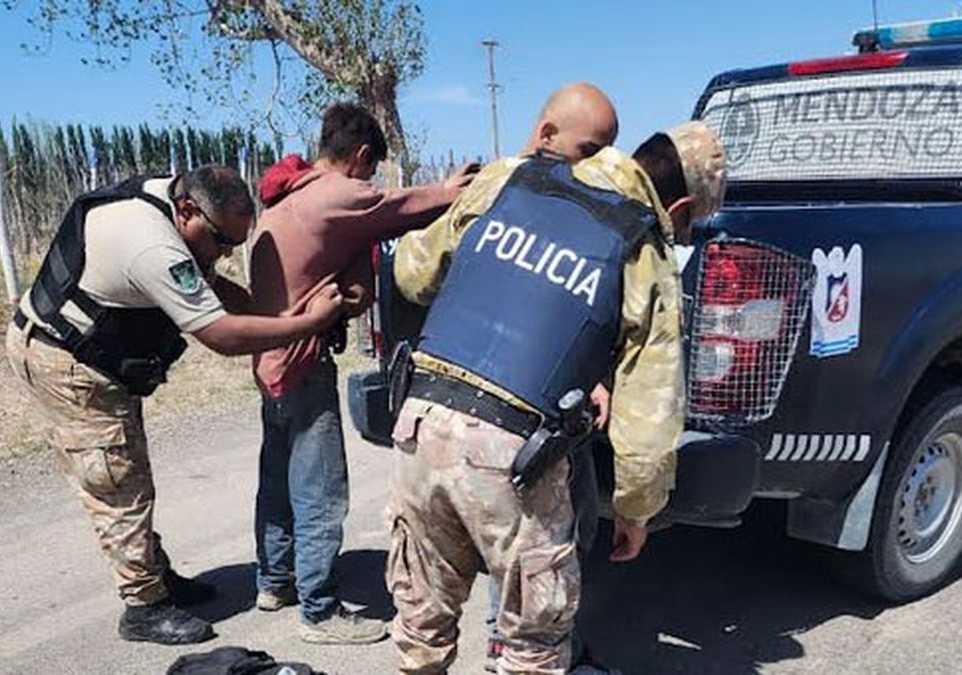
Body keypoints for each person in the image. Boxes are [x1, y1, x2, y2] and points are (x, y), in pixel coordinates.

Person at [386, 122, 727, 674]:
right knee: (532, 651)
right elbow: (651, 404)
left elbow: (411, 270)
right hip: (511, 455)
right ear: (681, 205)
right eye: (687, 226)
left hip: (420, 423)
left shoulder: (511, 179)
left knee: (421, 631)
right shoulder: (642, 242)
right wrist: (637, 509)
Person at [6, 166, 344, 646]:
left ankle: (152, 572)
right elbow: (221, 335)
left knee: (127, 469)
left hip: (95, 353)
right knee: (117, 481)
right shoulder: (151, 243)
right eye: (222, 240)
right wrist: (308, 323)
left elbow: (208, 285)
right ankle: (143, 605)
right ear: (188, 212)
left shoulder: (174, 205)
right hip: (68, 362)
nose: (225, 253)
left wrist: (277, 315)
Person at [247, 102, 477, 645]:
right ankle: (320, 611)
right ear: (361, 156)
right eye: (370, 170)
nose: (370, 181)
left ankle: (275, 580)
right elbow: (402, 208)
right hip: (301, 361)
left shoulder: (289, 196)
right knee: (320, 486)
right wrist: (454, 190)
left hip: (270, 358)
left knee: (278, 478)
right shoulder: (334, 194)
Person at [477, 82, 619, 672]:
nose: (599, 166)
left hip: (538, 401)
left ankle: (531, 645)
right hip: (516, 406)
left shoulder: (532, 193)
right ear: (546, 136)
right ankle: (524, 651)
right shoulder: (508, 192)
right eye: (590, 150)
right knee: (531, 542)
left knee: (542, 534)